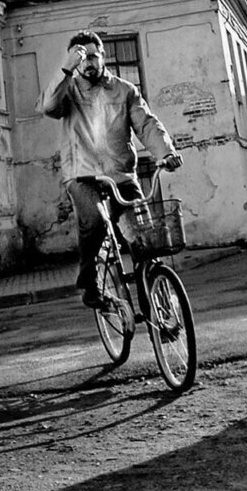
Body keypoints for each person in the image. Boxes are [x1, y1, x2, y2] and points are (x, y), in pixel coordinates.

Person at [37, 30, 183, 307]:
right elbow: (48, 107)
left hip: (121, 174)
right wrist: (66, 68)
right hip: (82, 176)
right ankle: (89, 280)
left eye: (93, 56)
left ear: (103, 56)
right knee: (94, 219)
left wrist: (166, 153)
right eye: (82, 58)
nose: (88, 62)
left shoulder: (125, 90)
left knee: (144, 240)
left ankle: (160, 309)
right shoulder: (67, 90)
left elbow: (147, 125)